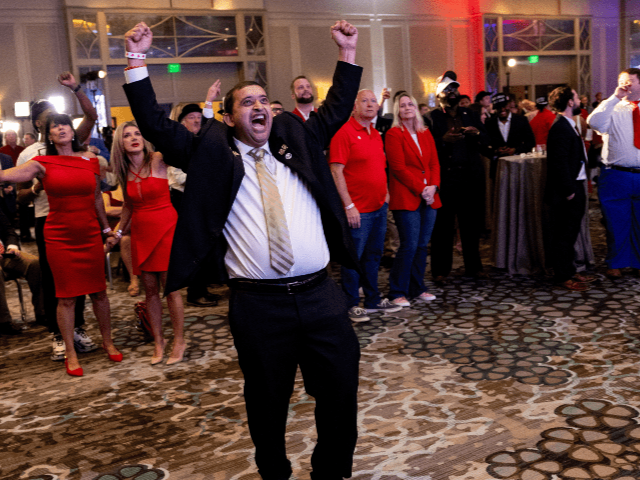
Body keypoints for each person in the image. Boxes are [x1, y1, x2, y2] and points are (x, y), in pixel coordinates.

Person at [123, 20, 361, 480]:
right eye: (246, 102)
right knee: (267, 401)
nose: (258, 107)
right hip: (258, 305)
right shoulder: (210, 151)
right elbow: (154, 123)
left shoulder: (297, 139)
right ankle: (274, 472)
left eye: (262, 101)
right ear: (230, 117)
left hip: (320, 297)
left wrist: (347, 53)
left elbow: (335, 108)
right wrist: (136, 59)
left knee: (339, 392)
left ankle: (330, 472)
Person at [0, 113, 121, 376]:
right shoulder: (41, 163)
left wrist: (105, 229)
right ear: (49, 135)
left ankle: (108, 342)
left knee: (99, 292)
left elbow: (97, 199)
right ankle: (70, 352)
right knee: (66, 297)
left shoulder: (90, 160)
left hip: (89, 233)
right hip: (59, 236)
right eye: (55, 126)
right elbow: (8, 174)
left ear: (72, 130)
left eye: (65, 124)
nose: (61, 128)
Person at [16, 72, 100, 362]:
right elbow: (20, 196)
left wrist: (76, 88)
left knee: (84, 281)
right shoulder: (30, 153)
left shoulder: (75, 146)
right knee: (57, 282)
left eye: (62, 119)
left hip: (80, 218)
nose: (59, 123)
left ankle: (78, 327)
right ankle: (57, 333)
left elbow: (91, 114)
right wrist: (38, 186)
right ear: (40, 124)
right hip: (47, 219)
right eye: (50, 118)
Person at [106, 122, 185, 365]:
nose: (133, 138)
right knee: (150, 290)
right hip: (141, 231)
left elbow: (183, 150)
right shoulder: (123, 170)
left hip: (166, 226)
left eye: (137, 133)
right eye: (127, 135)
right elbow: (128, 206)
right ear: (120, 142)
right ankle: (159, 341)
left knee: (170, 288)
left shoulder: (158, 159)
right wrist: (118, 235)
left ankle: (179, 340)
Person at [329, 89, 401, 322]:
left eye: (373, 101)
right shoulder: (344, 133)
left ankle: (372, 300)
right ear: (354, 105)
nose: (370, 105)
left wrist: (387, 193)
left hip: (379, 207)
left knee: (373, 257)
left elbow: (380, 168)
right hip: (358, 210)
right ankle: (351, 304)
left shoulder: (375, 133)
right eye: (365, 101)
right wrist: (348, 206)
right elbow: (336, 171)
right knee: (353, 260)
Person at [429, 71, 490, 283]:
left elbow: (487, 137)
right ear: (439, 96)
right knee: (443, 227)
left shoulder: (469, 114)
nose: (452, 92)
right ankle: (440, 270)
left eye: (454, 89)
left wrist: (478, 134)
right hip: (446, 179)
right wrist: (443, 140)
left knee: (470, 226)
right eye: (447, 90)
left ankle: (474, 267)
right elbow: (427, 149)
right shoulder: (433, 118)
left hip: (469, 177)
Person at [385, 92, 441, 307]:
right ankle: (397, 291)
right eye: (402, 105)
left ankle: (417, 287)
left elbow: (435, 163)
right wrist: (422, 189)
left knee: (421, 245)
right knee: (408, 245)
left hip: (429, 196)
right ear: (397, 110)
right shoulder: (393, 134)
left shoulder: (425, 132)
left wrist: (433, 187)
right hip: (406, 196)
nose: (407, 107)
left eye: (410, 104)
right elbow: (398, 168)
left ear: (416, 108)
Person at [587, 68, 640, 279]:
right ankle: (615, 261)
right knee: (615, 221)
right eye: (621, 81)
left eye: (629, 81)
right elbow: (594, 122)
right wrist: (615, 97)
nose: (625, 84)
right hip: (616, 175)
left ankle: (637, 262)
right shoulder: (613, 107)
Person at [545, 86, 592, 291]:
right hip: (568, 190)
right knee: (564, 234)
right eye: (575, 96)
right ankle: (563, 275)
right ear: (570, 102)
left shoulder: (568, 124)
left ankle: (570, 270)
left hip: (575, 185)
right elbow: (558, 162)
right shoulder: (560, 127)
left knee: (570, 232)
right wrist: (569, 190)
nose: (580, 98)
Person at [0, 206, 46, 335]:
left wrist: (12, 247)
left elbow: (9, 231)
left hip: (5, 254)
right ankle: (3, 322)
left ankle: (43, 313)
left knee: (35, 263)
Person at [102, 185, 138, 296]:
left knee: (130, 222)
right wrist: (128, 209)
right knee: (125, 238)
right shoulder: (107, 194)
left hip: (134, 231)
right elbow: (106, 210)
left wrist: (129, 210)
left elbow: (137, 210)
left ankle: (116, 238)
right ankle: (134, 280)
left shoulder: (134, 196)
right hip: (112, 232)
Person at [485, 93, 536, 159]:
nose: (502, 109)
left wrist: (515, 150)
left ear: (509, 105)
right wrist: (495, 151)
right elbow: (484, 146)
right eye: (499, 107)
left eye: (504, 106)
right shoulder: (489, 123)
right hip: (498, 163)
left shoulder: (521, 120)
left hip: (518, 162)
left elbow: (531, 142)